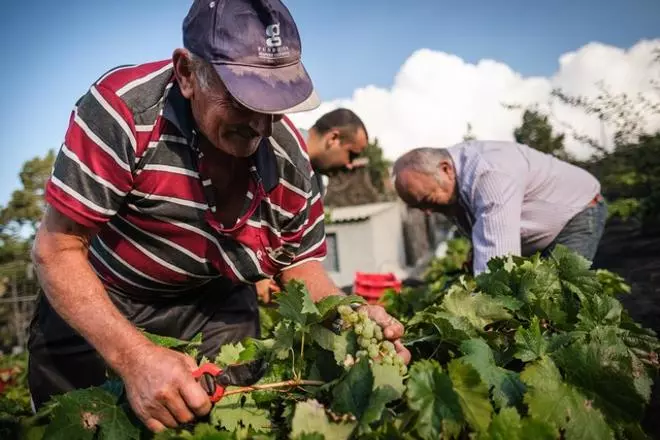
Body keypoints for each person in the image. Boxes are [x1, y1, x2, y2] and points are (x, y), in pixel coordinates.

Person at [28, 0, 410, 433]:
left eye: (272, 102)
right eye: (241, 98)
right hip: (102, 297)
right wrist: (134, 358)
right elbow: (57, 249)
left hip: (213, 305)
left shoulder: (288, 158)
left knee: (223, 423)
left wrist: (351, 317)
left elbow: (299, 265)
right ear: (188, 73)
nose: (259, 125)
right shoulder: (126, 113)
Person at [392, 140, 607, 274]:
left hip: (577, 212)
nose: (427, 211)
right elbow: (483, 228)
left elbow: (498, 265)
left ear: (446, 169)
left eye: (427, 200)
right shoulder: (451, 180)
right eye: (418, 206)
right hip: (540, 231)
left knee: (558, 298)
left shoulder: (490, 173)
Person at [256, 108, 369, 302]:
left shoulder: (315, 182)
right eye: (351, 154)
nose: (350, 165)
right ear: (333, 138)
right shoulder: (275, 146)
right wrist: (259, 278)